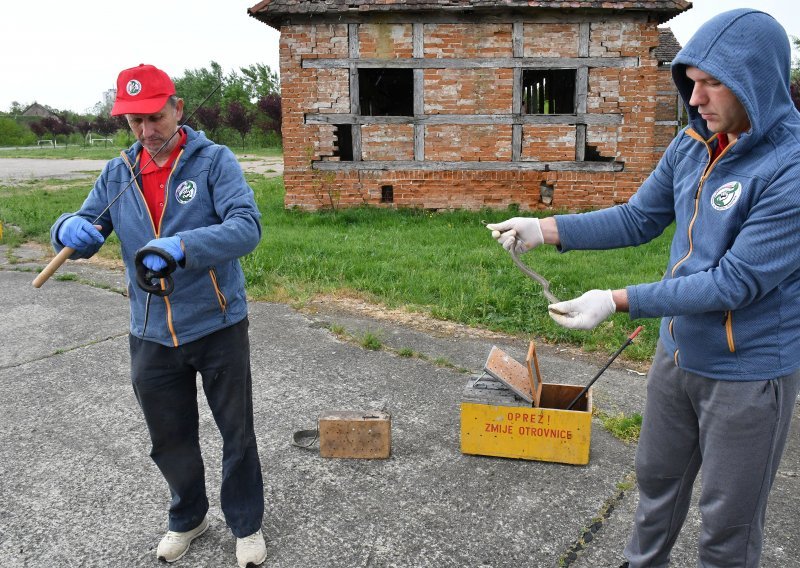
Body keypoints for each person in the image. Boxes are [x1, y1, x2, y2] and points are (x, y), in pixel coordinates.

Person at [488, 9, 800, 568]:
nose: (696, 97)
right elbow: (638, 218)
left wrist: (616, 300)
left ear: (756, 80)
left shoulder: (790, 168)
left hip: (748, 374)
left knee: (727, 526)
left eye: (711, 83)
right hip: (678, 356)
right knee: (656, 487)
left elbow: (737, 282)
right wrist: (545, 230)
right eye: (691, 81)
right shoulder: (692, 143)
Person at [49, 64, 267, 567]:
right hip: (148, 330)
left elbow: (247, 228)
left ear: (177, 109)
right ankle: (189, 517)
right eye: (134, 122)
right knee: (169, 438)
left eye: (154, 116)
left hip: (217, 323)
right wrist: (67, 228)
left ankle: (246, 524)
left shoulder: (215, 162)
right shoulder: (118, 172)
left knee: (236, 434)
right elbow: (87, 223)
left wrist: (183, 246)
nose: (147, 131)